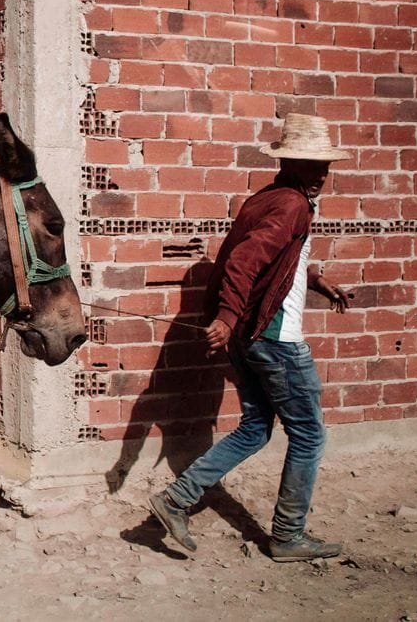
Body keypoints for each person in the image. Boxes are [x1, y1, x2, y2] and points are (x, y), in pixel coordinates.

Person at [148, 113, 352, 562]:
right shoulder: (292, 205)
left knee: (257, 428)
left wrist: (315, 280)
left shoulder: (269, 198)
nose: (321, 173)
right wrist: (225, 314)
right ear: (289, 162)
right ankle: (287, 536)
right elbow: (242, 261)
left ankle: (175, 500)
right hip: (275, 337)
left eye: (326, 165)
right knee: (309, 435)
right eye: (310, 163)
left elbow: (275, 259)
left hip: (248, 332)